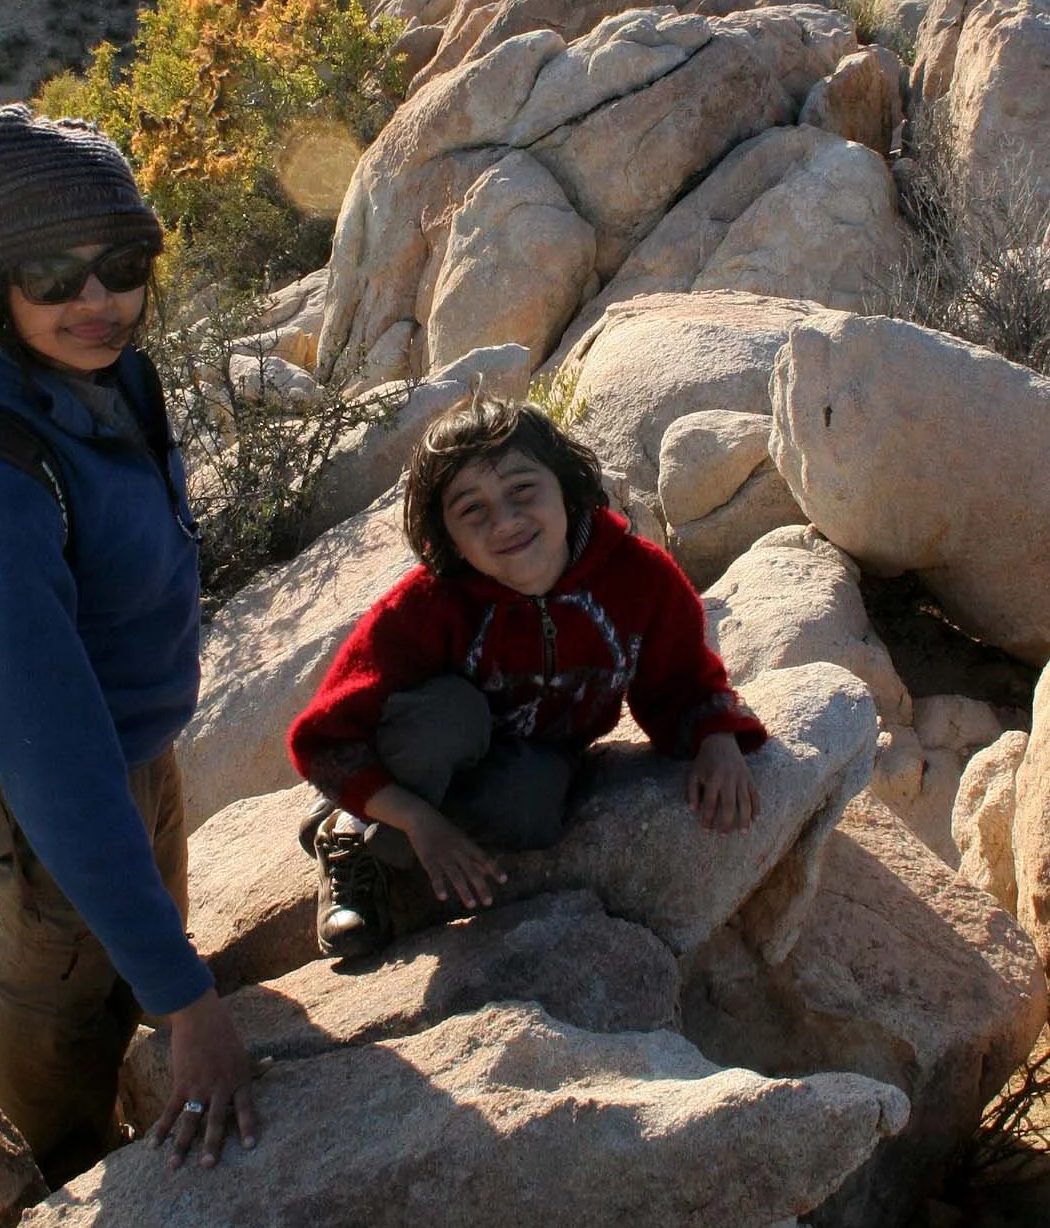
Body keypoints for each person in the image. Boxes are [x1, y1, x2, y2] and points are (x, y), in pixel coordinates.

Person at [0, 102, 256, 1181]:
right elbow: (50, 759)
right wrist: (191, 1001)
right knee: (62, 982)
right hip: (51, 783)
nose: (98, 299)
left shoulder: (110, 375)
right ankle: (50, 1174)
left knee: (127, 949)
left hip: (138, 740)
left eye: (123, 261)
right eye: (53, 273)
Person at [287, 395, 766, 959]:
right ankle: (351, 831)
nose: (506, 522)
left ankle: (399, 838)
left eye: (522, 491)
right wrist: (414, 815)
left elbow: (683, 678)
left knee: (534, 811)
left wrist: (716, 739)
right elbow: (325, 735)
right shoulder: (428, 605)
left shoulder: (638, 580)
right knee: (448, 718)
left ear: (565, 484)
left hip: (535, 753)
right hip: (428, 748)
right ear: (446, 537)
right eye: (473, 510)